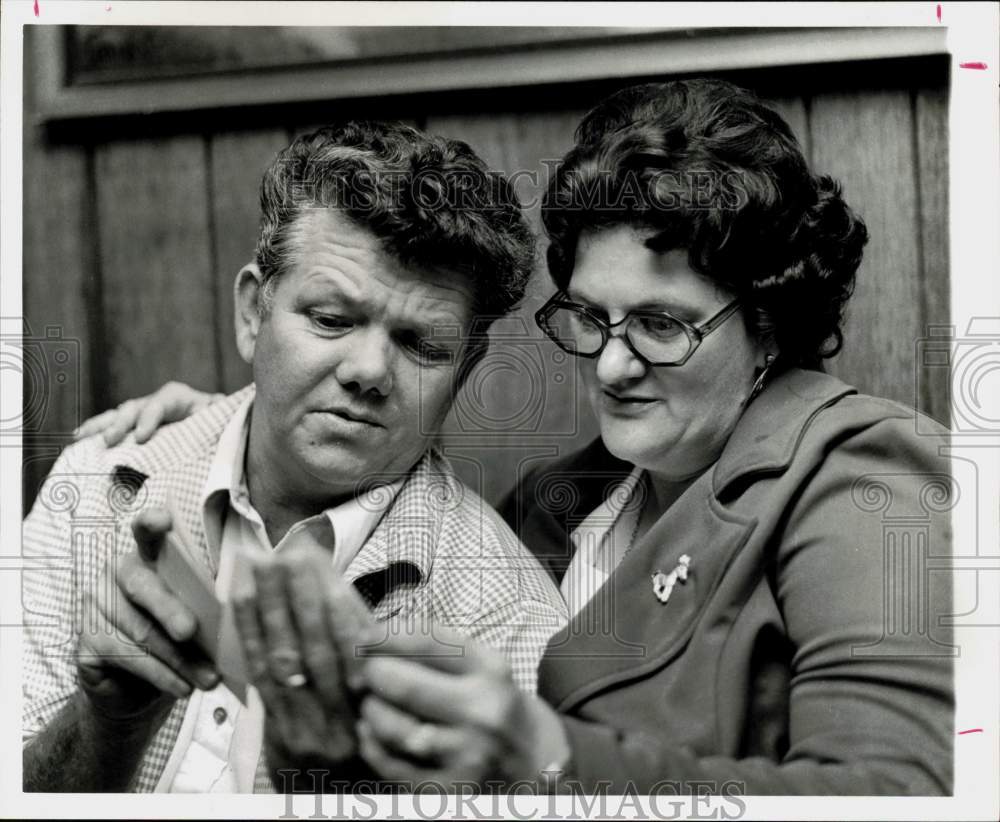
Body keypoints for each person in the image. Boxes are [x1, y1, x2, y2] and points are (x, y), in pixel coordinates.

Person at [74, 79, 955, 796]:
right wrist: (229, 415)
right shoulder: (560, 502)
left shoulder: (864, 473)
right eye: (591, 319)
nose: (610, 369)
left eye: (660, 326)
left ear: (768, 322)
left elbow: (898, 795)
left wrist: (547, 754)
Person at [21, 121, 568, 793]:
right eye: (332, 319)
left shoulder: (507, 617)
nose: (369, 370)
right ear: (254, 313)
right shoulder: (97, 487)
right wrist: (106, 723)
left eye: (422, 344)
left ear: (465, 368)